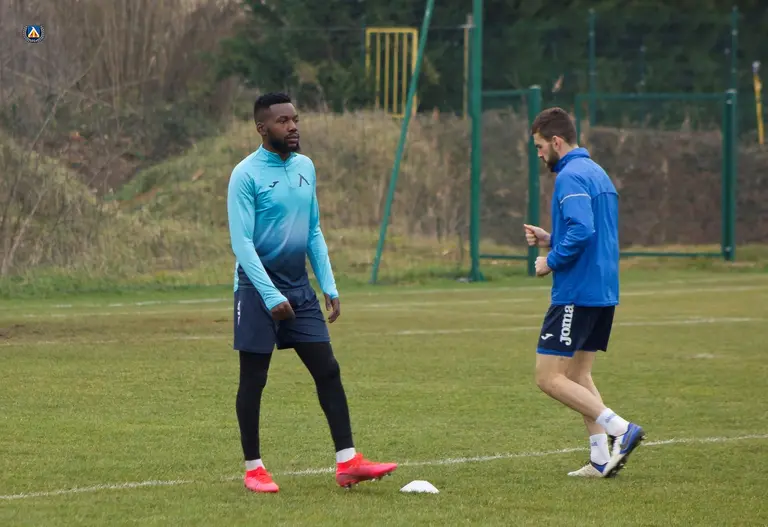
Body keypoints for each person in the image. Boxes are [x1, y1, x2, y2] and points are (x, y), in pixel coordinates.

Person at [227, 92, 397, 493]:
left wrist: (329, 284)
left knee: (328, 370)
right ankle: (254, 469)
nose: (292, 127)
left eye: (295, 119)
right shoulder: (245, 175)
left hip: (299, 288)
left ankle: (348, 462)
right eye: (283, 121)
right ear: (262, 128)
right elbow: (242, 244)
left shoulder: (306, 167)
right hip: (256, 289)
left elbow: (313, 229)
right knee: (254, 378)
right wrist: (270, 296)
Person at [523, 107, 645, 478]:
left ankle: (621, 429)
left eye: (540, 147)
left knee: (548, 377)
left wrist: (550, 260)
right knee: (577, 375)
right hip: (602, 290)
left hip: (576, 292)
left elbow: (582, 230)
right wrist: (551, 237)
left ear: (556, 141)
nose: (540, 154)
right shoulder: (596, 172)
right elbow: (590, 231)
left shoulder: (570, 176)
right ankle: (600, 458)